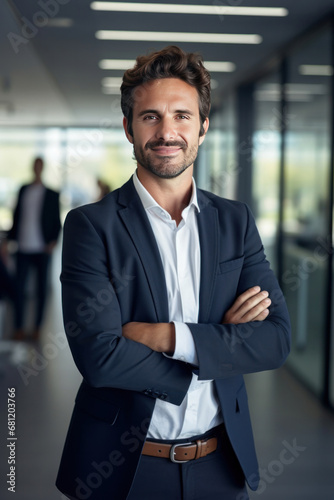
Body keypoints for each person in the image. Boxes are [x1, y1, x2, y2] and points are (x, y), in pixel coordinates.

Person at [56, 46, 290, 500]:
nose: (168, 132)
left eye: (182, 116)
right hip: (124, 468)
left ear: (202, 127)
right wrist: (215, 344)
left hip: (221, 466)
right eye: (150, 117)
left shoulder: (235, 220)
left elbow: (275, 340)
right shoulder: (91, 226)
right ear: (129, 127)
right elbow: (100, 357)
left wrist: (166, 337)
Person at [6, 157, 61, 340]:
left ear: (43, 168)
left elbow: (56, 221)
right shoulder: (23, 190)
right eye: (35, 165)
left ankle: (37, 328)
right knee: (19, 289)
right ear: (33, 168)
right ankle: (18, 327)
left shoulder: (52, 194)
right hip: (22, 247)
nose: (37, 168)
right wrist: (8, 240)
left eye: (40, 165)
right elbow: (16, 216)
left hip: (42, 248)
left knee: (41, 290)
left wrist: (53, 241)